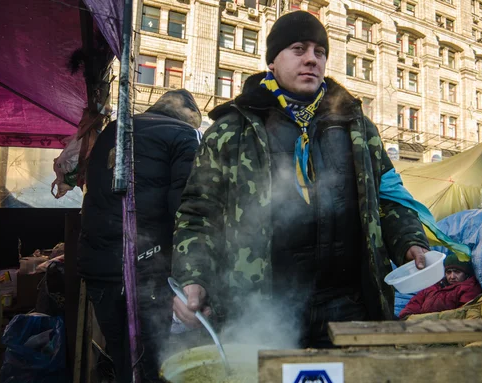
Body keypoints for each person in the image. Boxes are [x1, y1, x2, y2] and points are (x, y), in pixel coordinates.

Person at [171, 11, 430, 348]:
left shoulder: (355, 127)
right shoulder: (232, 129)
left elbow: (389, 196)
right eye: (298, 49)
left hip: (348, 304)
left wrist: (409, 241)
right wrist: (194, 276)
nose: (311, 59)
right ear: (273, 61)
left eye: (319, 52)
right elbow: (198, 214)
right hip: (262, 306)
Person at [78, 90, 201, 383]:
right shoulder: (185, 135)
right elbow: (187, 212)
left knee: (124, 363)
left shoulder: (114, 130)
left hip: (101, 269)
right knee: (161, 367)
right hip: (148, 273)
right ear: (190, 116)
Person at [398, 253, 482, 319]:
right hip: (422, 326)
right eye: (448, 272)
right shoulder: (434, 287)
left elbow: (463, 312)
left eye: (457, 272)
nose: (452, 276)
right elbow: (415, 302)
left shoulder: (469, 289)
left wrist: (426, 320)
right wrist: (407, 316)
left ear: (465, 274)